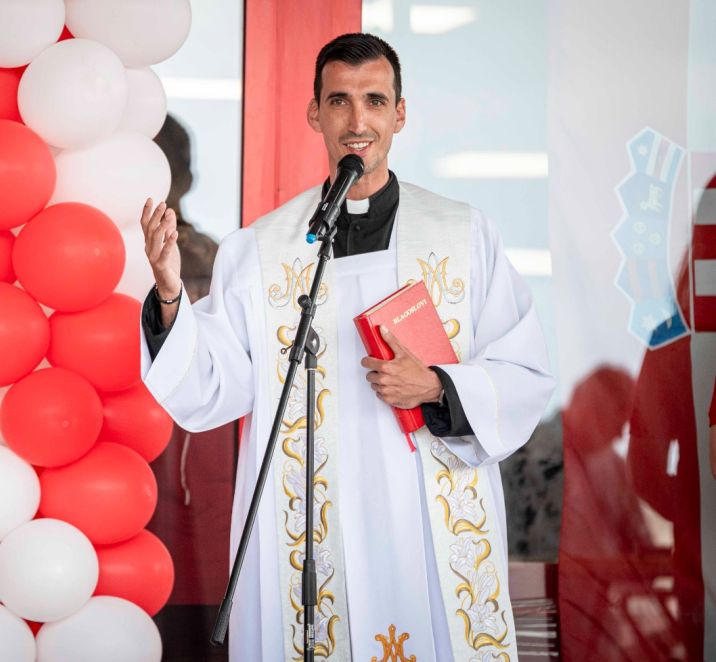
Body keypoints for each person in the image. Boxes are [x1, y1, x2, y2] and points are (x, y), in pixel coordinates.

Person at [137, 33, 555, 662]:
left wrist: (439, 388)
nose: (358, 121)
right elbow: (212, 384)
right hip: (307, 523)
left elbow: (524, 371)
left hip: (426, 518)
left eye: (375, 101)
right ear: (315, 114)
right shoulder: (263, 249)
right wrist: (170, 294)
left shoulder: (463, 236)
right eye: (339, 101)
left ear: (399, 114)